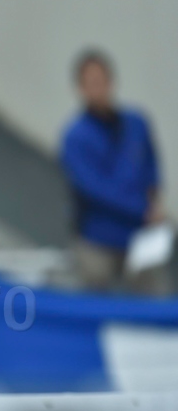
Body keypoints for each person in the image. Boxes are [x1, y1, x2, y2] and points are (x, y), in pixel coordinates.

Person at [60, 49, 169, 295]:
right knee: (92, 298)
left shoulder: (136, 123)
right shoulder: (75, 137)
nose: (97, 88)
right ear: (80, 88)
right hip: (97, 238)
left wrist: (154, 201)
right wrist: (142, 209)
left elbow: (151, 167)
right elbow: (95, 190)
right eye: (90, 83)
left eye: (101, 80)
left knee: (155, 297)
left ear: (111, 81)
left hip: (140, 236)